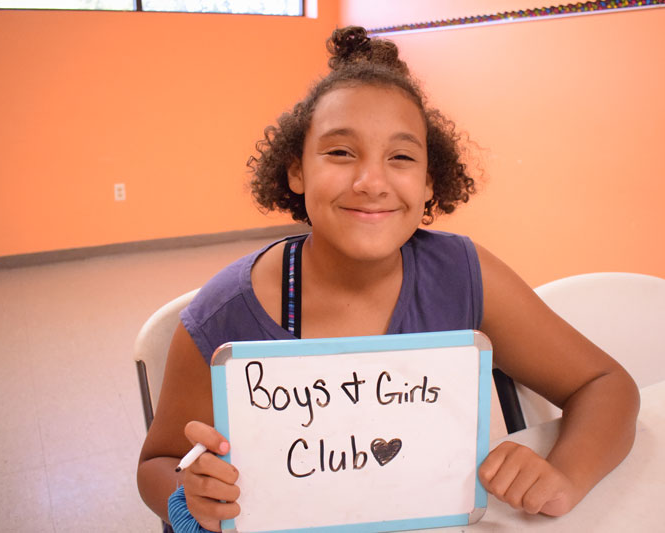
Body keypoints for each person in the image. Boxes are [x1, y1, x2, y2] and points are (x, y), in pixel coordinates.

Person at [137, 26, 639, 532]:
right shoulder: (227, 313)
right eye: (339, 152)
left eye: (400, 157)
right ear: (296, 171)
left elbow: (605, 385)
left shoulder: (464, 275)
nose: (371, 182)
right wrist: (191, 501)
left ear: (427, 183)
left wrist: (564, 476)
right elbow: (155, 465)